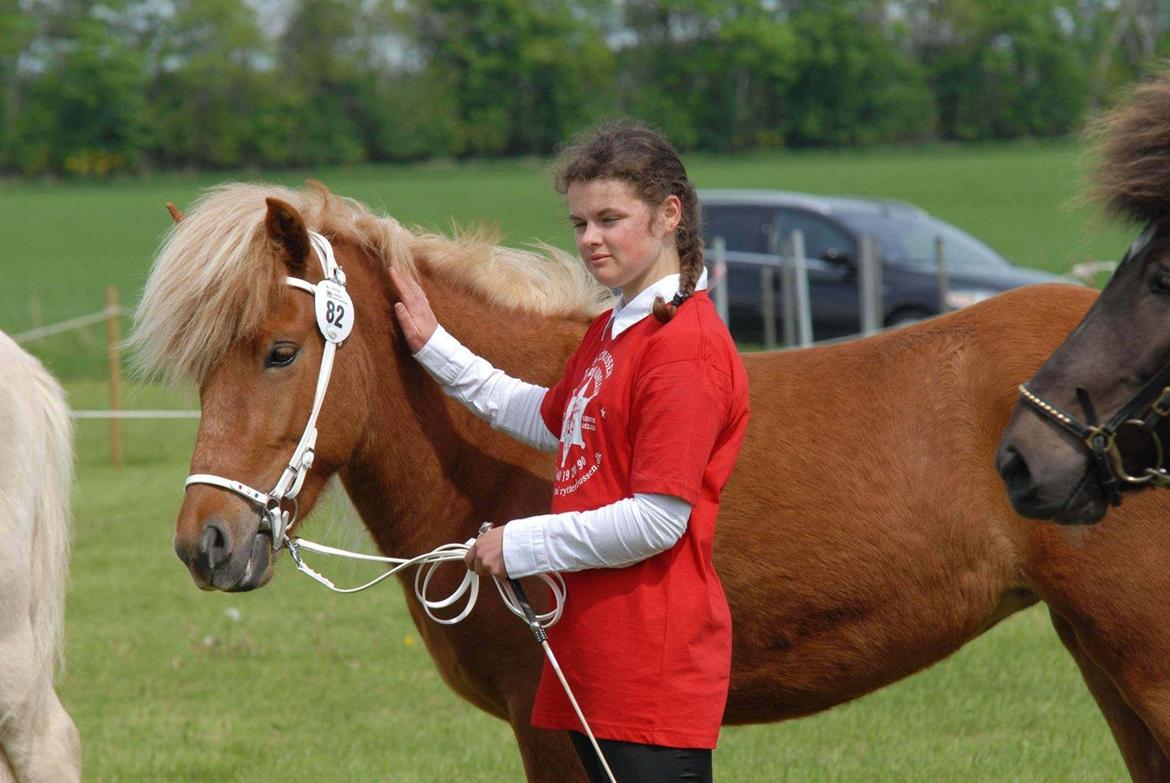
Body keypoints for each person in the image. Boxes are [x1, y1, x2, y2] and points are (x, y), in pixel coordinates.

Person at [390, 120, 750, 783]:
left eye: (609, 218)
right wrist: (433, 344)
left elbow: (657, 520)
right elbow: (545, 415)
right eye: (580, 222)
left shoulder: (684, 349)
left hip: (649, 669)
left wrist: (521, 544)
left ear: (670, 214)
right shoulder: (617, 330)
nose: (589, 239)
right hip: (594, 657)